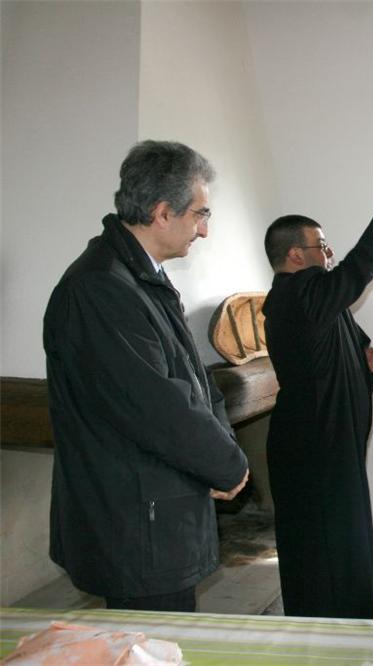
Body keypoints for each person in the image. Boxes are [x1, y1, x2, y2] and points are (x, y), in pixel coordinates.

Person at [43, 140, 250, 612]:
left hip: (155, 511)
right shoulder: (100, 288)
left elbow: (196, 382)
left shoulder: (138, 276)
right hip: (135, 521)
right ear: (162, 212)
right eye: (200, 214)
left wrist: (223, 453)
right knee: (151, 639)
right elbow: (157, 407)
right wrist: (227, 465)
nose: (204, 230)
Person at [262, 175, 373, 619]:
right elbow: (359, 266)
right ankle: (325, 632)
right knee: (319, 548)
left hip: (332, 442)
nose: (329, 254)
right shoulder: (295, 295)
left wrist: (365, 359)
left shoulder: (316, 298)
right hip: (311, 446)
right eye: (321, 246)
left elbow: (334, 349)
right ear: (295, 255)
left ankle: (354, 623)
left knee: (344, 542)